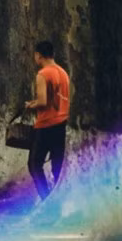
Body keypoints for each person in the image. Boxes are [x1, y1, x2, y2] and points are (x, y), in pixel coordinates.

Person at [25, 40, 71, 200]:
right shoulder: (63, 73)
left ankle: (46, 198)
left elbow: (43, 101)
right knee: (57, 166)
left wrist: (31, 105)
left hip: (45, 125)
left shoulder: (43, 74)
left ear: (38, 55)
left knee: (34, 165)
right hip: (61, 124)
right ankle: (58, 200)